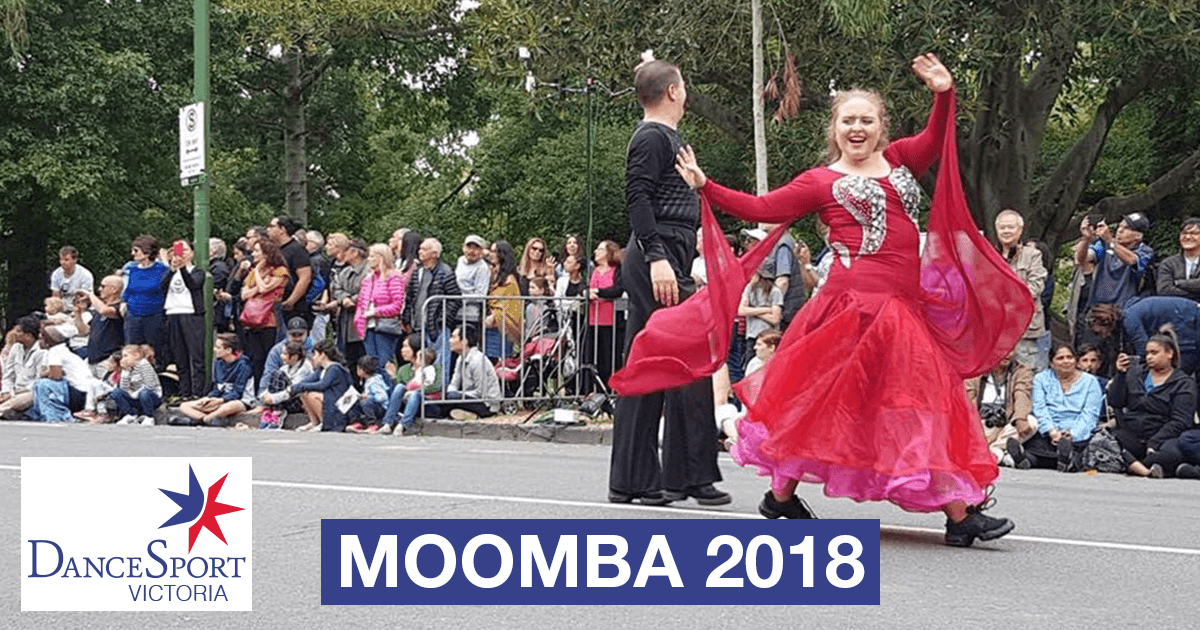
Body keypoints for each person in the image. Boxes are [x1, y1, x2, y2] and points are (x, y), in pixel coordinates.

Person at [665, 53, 1033, 546]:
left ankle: (780, 498)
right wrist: (707, 186)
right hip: (853, 308)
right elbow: (760, 207)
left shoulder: (902, 159)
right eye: (847, 120)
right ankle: (960, 517)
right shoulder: (819, 182)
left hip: (903, 306)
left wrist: (944, 95)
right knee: (871, 403)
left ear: (881, 126)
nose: (856, 128)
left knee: (886, 403)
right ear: (834, 128)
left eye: (867, 120)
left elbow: (935, 138)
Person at [606, 57, 729, 509]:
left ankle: (675, 477)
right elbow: (636, 196)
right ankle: (654, 479)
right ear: (674, 92)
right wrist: (657, 256)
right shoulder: (652, 136)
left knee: (676, 362)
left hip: (672, 251)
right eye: (684, 85)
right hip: (656, 256)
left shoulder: (669, 137)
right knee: (669, 360)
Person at [1108, 327, 1198, 478]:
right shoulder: (1136, 373)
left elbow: (1181, 421)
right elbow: (1116, 402)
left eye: (1154, 353)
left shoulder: (1183, 383)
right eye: (1148, 353)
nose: (1149, 357)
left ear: (1170, 354)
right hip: (1132, 433)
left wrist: (1154, 442)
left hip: (1163, 436)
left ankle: (1132, 464)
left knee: (1171, 455)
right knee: (1107, 441)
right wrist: (1120, 375)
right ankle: (1143, 468)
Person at [1007, 343, 1103, 471]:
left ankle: (1067, 461)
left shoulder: (1090, 382)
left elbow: (1090, 414)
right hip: (1049, 431)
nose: (1066, 361)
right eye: (1060, 358)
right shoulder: (1041, 379)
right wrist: (1051, 431)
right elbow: (1039, 408)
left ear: (1075, 361)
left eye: (1069, 357)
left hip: (1076, 432)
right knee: (1037, 448)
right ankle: (1026, 459)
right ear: (1052, 363)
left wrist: (1071, 434)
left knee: (1073, 450)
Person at [995, 209, 1049, 372]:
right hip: (997, 328)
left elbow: (1036, 285)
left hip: (1027, 328)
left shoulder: (1033, 255)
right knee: (997, 376)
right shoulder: (989, 254)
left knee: (1028, 373)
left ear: (1020, 230)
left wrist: (1010, 300)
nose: (1006, 231)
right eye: (1002, 227)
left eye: (1010, 227)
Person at [401, 238, 461, 381]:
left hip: (436, 326)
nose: (420, 252)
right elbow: (410, 298)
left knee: (439, 362)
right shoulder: (417, 271)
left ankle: (439, 393)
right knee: (419, 361)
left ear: (435, 254)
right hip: (418, 325)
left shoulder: (445, 271)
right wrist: (406, 318)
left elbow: (455, 297)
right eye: (420, 248)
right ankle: (420, 391)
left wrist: (443, 319)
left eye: (425, 249)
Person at [965, 350, 1034, 464]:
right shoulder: (976, 369)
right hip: (981, 423)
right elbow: (968, 399)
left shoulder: (1021, 370)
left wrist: (1020, 418)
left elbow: (1021, 393)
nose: (1007, 355)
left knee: (1031, 422)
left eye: (1011, 350)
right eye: (1001, 350)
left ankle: (992, 452)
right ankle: (1002, 454)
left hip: (1006, 423)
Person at [1075, 212, 1154, 311]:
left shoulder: (1145, 251)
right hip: (1098, 308)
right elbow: (1081, 259)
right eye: (1119, 226)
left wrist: (1110, 240)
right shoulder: (1104, 245)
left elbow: (1131, 260)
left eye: (1126, 228)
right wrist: (1086, 239)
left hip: (1125, 309)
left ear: (1138, 235)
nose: (1120, 230)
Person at [161, 239, 208, 399]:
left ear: (192, 253)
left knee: (195, 355)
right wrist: (172, 269)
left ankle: (197, 392)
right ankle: (184, 392)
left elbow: (194, 284)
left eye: (185, 251)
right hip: (173, 313)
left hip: (191, 314)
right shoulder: (171, 272)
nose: (181, 255)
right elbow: (162, 286)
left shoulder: (196, 272)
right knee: (179, 356)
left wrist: (183, 269)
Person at [174, 334, 253, 427]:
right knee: (184, 406)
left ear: (228, 350)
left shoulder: (243, 365)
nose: (214, 350)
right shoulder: (217, 363)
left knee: (229, 406)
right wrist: (209, 399)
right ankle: (207, 419)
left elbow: (238, 392)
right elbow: (216, 387)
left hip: (239, 401)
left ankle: (200, 420)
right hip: (219, 400)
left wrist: (220, 401)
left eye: (218, 347)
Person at [240, 239, 290, 385]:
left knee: (270, 357)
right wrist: (260, 278)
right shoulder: (254, 271)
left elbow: (263, 289)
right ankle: (257, 390)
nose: (253, 254)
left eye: (257, 251)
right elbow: (244, 294)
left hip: (270, 319)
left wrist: (257, 279)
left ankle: (270, 389)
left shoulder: (280, 271)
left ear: (266, 254)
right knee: (256, 359)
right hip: (253, 320)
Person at [427, 326, 500, 420]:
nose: (450, 340)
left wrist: (456, 394)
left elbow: (481, 393)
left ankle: (451, 413)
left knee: (451, 397)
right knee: (444, 391)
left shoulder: (477, 360)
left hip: (486, 404)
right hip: (468, 397)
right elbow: (454, 384)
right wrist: (449, 393)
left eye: (453, 337)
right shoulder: (460, 358)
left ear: (464, 341)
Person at [355, 243, 407, 369]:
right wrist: (358, 320)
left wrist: (375, 312)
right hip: (368, 326)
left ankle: (389, 388)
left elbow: (397, 306)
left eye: (372, 256)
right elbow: (361, 303)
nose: (369, 259)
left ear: (381, 257)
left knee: (385, 364)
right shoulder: (368, 279)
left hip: (385, 327)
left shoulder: (394, 277)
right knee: (371, 365)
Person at [120, 235, 170, 365]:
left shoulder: (160, 269)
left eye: (136, 250)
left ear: (146, 252)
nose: (133, 254)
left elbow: (167, 282)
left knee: (154, 348)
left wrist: (166, 261)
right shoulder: (133, 269)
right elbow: (129, 289)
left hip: (154, 314)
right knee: (132, 348)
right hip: (134, 314)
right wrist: (124, 302)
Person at [1122, 296, 1200, 375]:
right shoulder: (1129, 311)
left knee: (1180, 373)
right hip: (1187, 313)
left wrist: (1141, 368)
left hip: (1188, 319)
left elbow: (1143, 345)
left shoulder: (1129, 319)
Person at [380, 337, 442, 435]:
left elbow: (437, 386)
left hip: (426, 403)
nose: (402, 350)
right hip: (407, 403)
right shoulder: (403, 369)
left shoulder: (434, 368)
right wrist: (394, 376)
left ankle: (403, 426)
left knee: (415, 395)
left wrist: (418, 390)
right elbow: (398, 392)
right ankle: (388, 423)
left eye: (405, 347)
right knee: (400, 387)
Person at [292, 339, 354, 432]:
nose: (313, 357)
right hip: (331, 399)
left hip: (339, 404)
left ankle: (324, 422)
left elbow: (322, 385)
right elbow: (308, 381)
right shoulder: (322, 369)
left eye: (315, 354)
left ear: (323, 355)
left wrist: (301, 386)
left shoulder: (334, 369)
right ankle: (314, 422)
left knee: (312, 395)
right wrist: (296, 386)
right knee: (304, 394)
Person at [267, 216, 314, 328]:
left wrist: (291, 301)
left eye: (272, 226)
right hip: (275, 305)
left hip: (292, 309)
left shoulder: (296, 250)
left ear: (282, 230)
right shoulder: (277, 250)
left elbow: (305, 277)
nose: (268, 229)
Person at [737, 262, 783, 370]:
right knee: (750, 367)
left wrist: (753, 311)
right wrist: (766, 310)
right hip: (751, 336)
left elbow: (775, 318)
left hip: (767, 337)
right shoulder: (749, 288)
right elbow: (742, 311)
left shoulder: (775, 291)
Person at [258, 340, 312, 429]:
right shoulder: (285, 367)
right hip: (284, 398)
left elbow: (293, 389)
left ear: (294, 357)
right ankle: (271, 412)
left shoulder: (305, 368)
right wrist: (265, 396)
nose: (282, 357)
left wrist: (274, 399)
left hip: (297, 400)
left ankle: (277, 412)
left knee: (279, 375)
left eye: (285, 354)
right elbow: (274, 385)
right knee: (276, 374)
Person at [0, 316, 46, 417]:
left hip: (30, 392)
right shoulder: (16, 348)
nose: (15, 334)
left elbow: (39, 381)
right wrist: (6, 391)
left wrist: (12, 394)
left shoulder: (41, 352)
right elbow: (8, 375)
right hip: (13, 391)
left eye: (19, 331)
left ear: (28, 335)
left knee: (18, 400)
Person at [109, 344, 163, 426]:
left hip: (150, 397)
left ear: (136, 355)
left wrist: (135, 394)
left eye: (126, 356)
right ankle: (131, 415)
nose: (123, 359)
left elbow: (150, 386)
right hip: (136, 397)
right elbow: (124, 387)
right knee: (116, 392)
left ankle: (148, 416)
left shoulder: (144, 365)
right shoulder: (129, 368)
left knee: (144, 393)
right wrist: (125, 371)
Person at [83, 275, 125, 378]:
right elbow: (83, 331)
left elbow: (104, 311)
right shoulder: (98, 310)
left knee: (107, 390)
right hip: (92, 359)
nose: (99, 289)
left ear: (113, 289)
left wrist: (90, 295)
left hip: (108, 359)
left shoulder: (119, 307)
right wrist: (78, 313)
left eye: (103, 286)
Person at [1156, 217, 1200, 302]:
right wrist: (1196, 294)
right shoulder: (1168, 263)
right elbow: (1163, 290)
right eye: (1184, 233)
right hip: (1176, 310)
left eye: (1193, 233)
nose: (1187, 237)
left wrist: (1178, 283)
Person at [456, 234, 491, 337]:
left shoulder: (483, 268)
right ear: (463, 248)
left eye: (476, 248)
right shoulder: (460, 261)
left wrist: (460, 297)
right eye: (469, 247)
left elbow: (481, 295)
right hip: (455, 312)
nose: (471, 251)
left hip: (470, 315)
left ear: (481, 251)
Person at [346, 355, 389, 433]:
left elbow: (382, 397)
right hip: (373, 406)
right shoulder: (367, 380)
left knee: (365, 402)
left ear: (363, 370)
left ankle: (373, 424)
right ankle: (357, 422)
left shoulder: (375, 381)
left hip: (381, 408)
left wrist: (369, 397)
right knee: (353, 400)